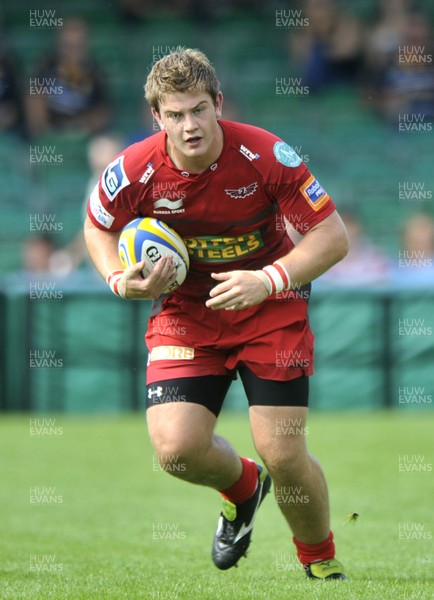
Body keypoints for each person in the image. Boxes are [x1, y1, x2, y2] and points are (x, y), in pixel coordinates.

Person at [84, 48, 349, 580]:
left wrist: (268, 279)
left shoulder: (268, 155)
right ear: (156, 118)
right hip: (188, 311)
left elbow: (332, 236)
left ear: (218, 104)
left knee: (283, 452)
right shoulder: (135, 169)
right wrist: (119, 279)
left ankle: (320, 562)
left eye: (199, 110)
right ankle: (243, 488)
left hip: (271, 303)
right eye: (176, 115)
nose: (190, 126)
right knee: (177, 450)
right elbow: (98, 226)